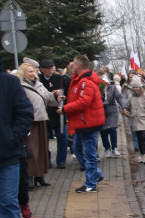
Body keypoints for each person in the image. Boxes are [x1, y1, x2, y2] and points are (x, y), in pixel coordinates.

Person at [1, 68, 34, 218]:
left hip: (7, 157)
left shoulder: (9, 83)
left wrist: (13, 139)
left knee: (7, 202)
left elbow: (25, 112)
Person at [61, 55, 106, 193]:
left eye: (74, 64)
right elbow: (79, 98)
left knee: (89, 154)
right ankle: (96, 175)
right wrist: (66, 100)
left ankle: (91, 183)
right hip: (83, 123)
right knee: (78, 149)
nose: (72, 66)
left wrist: (64, 109)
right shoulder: (81, 80)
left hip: (88, 123)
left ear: (78, 66)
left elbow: (83, 102)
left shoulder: (86, 82)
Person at [18, 61, 56, 190]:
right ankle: (28, 176)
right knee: (31, 150)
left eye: (33, 71)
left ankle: (40, 176)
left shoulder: (39, 85)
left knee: (42, 149)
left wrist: (55, 95)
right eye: (29, 71)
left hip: (41, 120)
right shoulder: (20, 86)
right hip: (30, 122)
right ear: (23, 73)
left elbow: (49, 98)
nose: (33, 74)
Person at [38, 58, 70, 168]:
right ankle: (46, 159)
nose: (50, 71)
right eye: (47, 69)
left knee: (62, 137)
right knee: (44, 138)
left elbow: (66, 93)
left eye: (52, 68)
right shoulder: (38, 79)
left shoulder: (59, 78)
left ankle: (61, 161)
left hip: (58, 112)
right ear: (41, 69)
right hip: (44, 113)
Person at [123, 77, 145, 163]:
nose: (136, 89)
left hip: (143, 119)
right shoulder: (130, 96)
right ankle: (141, 155)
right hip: (135, 120)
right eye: (134, 87)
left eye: (137, 87)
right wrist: (125, 111)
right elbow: (127, 106)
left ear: (140, 87)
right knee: (139, 138)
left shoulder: (144, 96)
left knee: (143, 137)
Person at [100, 72, 127, 158]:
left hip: (112, 111)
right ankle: (107, 148)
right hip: (101, 112)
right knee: (103, 131)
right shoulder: (98, 89)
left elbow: (119, 97)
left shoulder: (112, 88)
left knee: (112, 129)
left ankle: (114, 148)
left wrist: (124, 107)